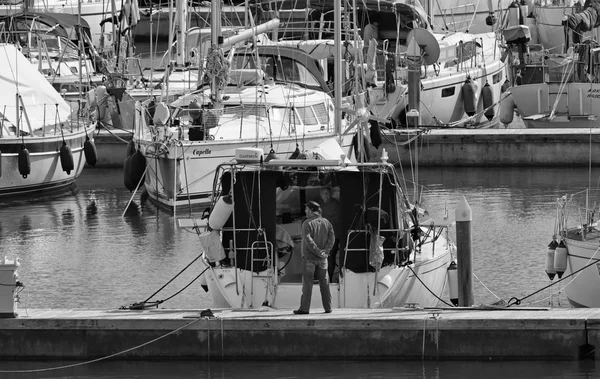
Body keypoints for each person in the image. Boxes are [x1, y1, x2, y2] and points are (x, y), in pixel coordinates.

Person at [293, 201, 335, 315]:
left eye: (306, 209)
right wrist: (325, 251)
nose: (305, 211)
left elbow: (308, 240)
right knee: (325, 283)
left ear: (311, 210)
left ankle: (305, 309)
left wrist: (318, 251)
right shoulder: (327, 222)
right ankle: (328, 308)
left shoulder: (307, 223)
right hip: (323, 259)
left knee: (307, 284)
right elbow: (332, 238)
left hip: (309, 258)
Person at [319, 188, 341, 282]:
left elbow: (338, 218)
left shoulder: (335, 204)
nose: (326, 195)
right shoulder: (320, 205)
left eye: (327, 193)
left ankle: (330, 279)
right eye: (324, 194)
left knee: (331, 258)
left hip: (334, 235)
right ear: (321, 195)